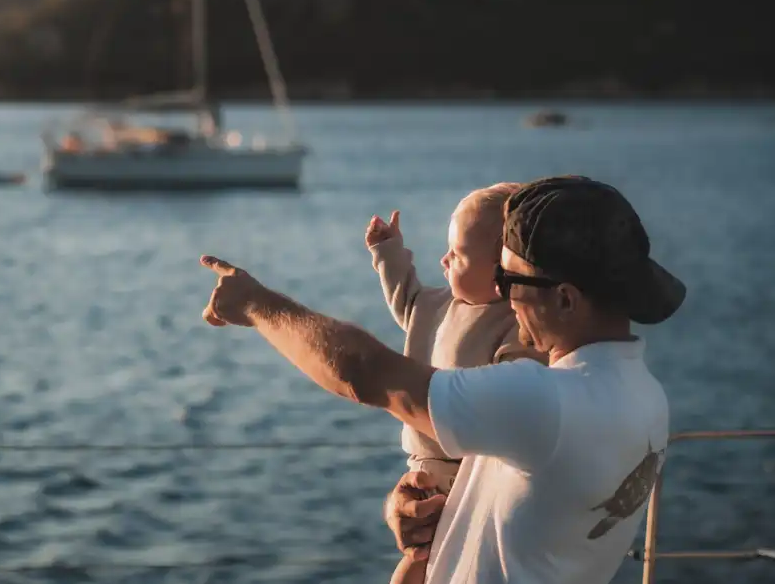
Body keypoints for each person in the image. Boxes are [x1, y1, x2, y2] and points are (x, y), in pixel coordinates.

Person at [199, 175, 685, 584]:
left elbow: (362, 372)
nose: (505, 298)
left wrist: (255, 304)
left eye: (510, 281)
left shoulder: (543, 401)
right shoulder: (644, 398)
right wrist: (410, 507)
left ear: (564, 299)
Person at [366, 185, 548, 584]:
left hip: (469, 473)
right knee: (419, 560)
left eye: (458, 255)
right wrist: (388, 253)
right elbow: (405, 297)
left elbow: (515, 389)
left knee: (426, 564)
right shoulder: (436, 305)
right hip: (424, 467)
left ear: (501, 273)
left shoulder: (514, 324)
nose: (444, 260)